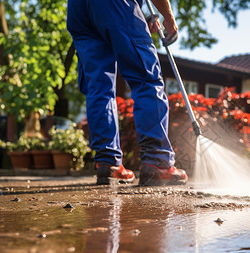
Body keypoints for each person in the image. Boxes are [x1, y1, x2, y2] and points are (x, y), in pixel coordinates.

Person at [67, 0, 187, 186]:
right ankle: (157, 162)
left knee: (98, 86)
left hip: (79, 9)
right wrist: (168, 17)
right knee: (146, 78)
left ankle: (108, 163)